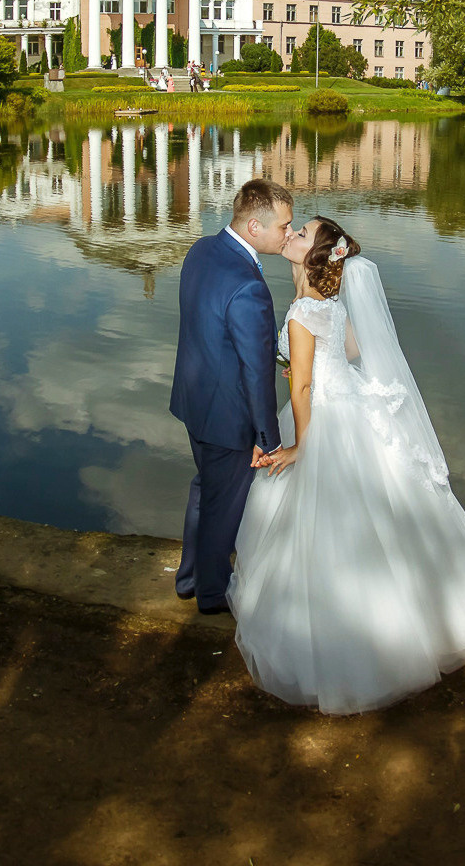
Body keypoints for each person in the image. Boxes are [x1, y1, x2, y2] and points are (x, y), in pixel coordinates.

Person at [227, 216, 465, 712]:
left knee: (321, 526)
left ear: (316, 255)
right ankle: (426, 613)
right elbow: (354, 350)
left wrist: (301, 445)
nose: (290, 235)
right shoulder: (331, 307)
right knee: (389, 507)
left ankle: (351, 645)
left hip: (321, 418)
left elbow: (302, 388)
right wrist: (317, 364)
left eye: (301, 233)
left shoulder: (300, 313)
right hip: (353, 407)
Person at [170, 179, 294, 614]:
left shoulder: (201, 249)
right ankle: (211, 595)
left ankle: (189, 578)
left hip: (194, 400)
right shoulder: (249, 285)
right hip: (227, 416)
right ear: (256, 226)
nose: (288, 234)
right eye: (284, 226)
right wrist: (270, 437)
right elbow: (257, 372)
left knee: (206, 491)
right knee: (224, 509)